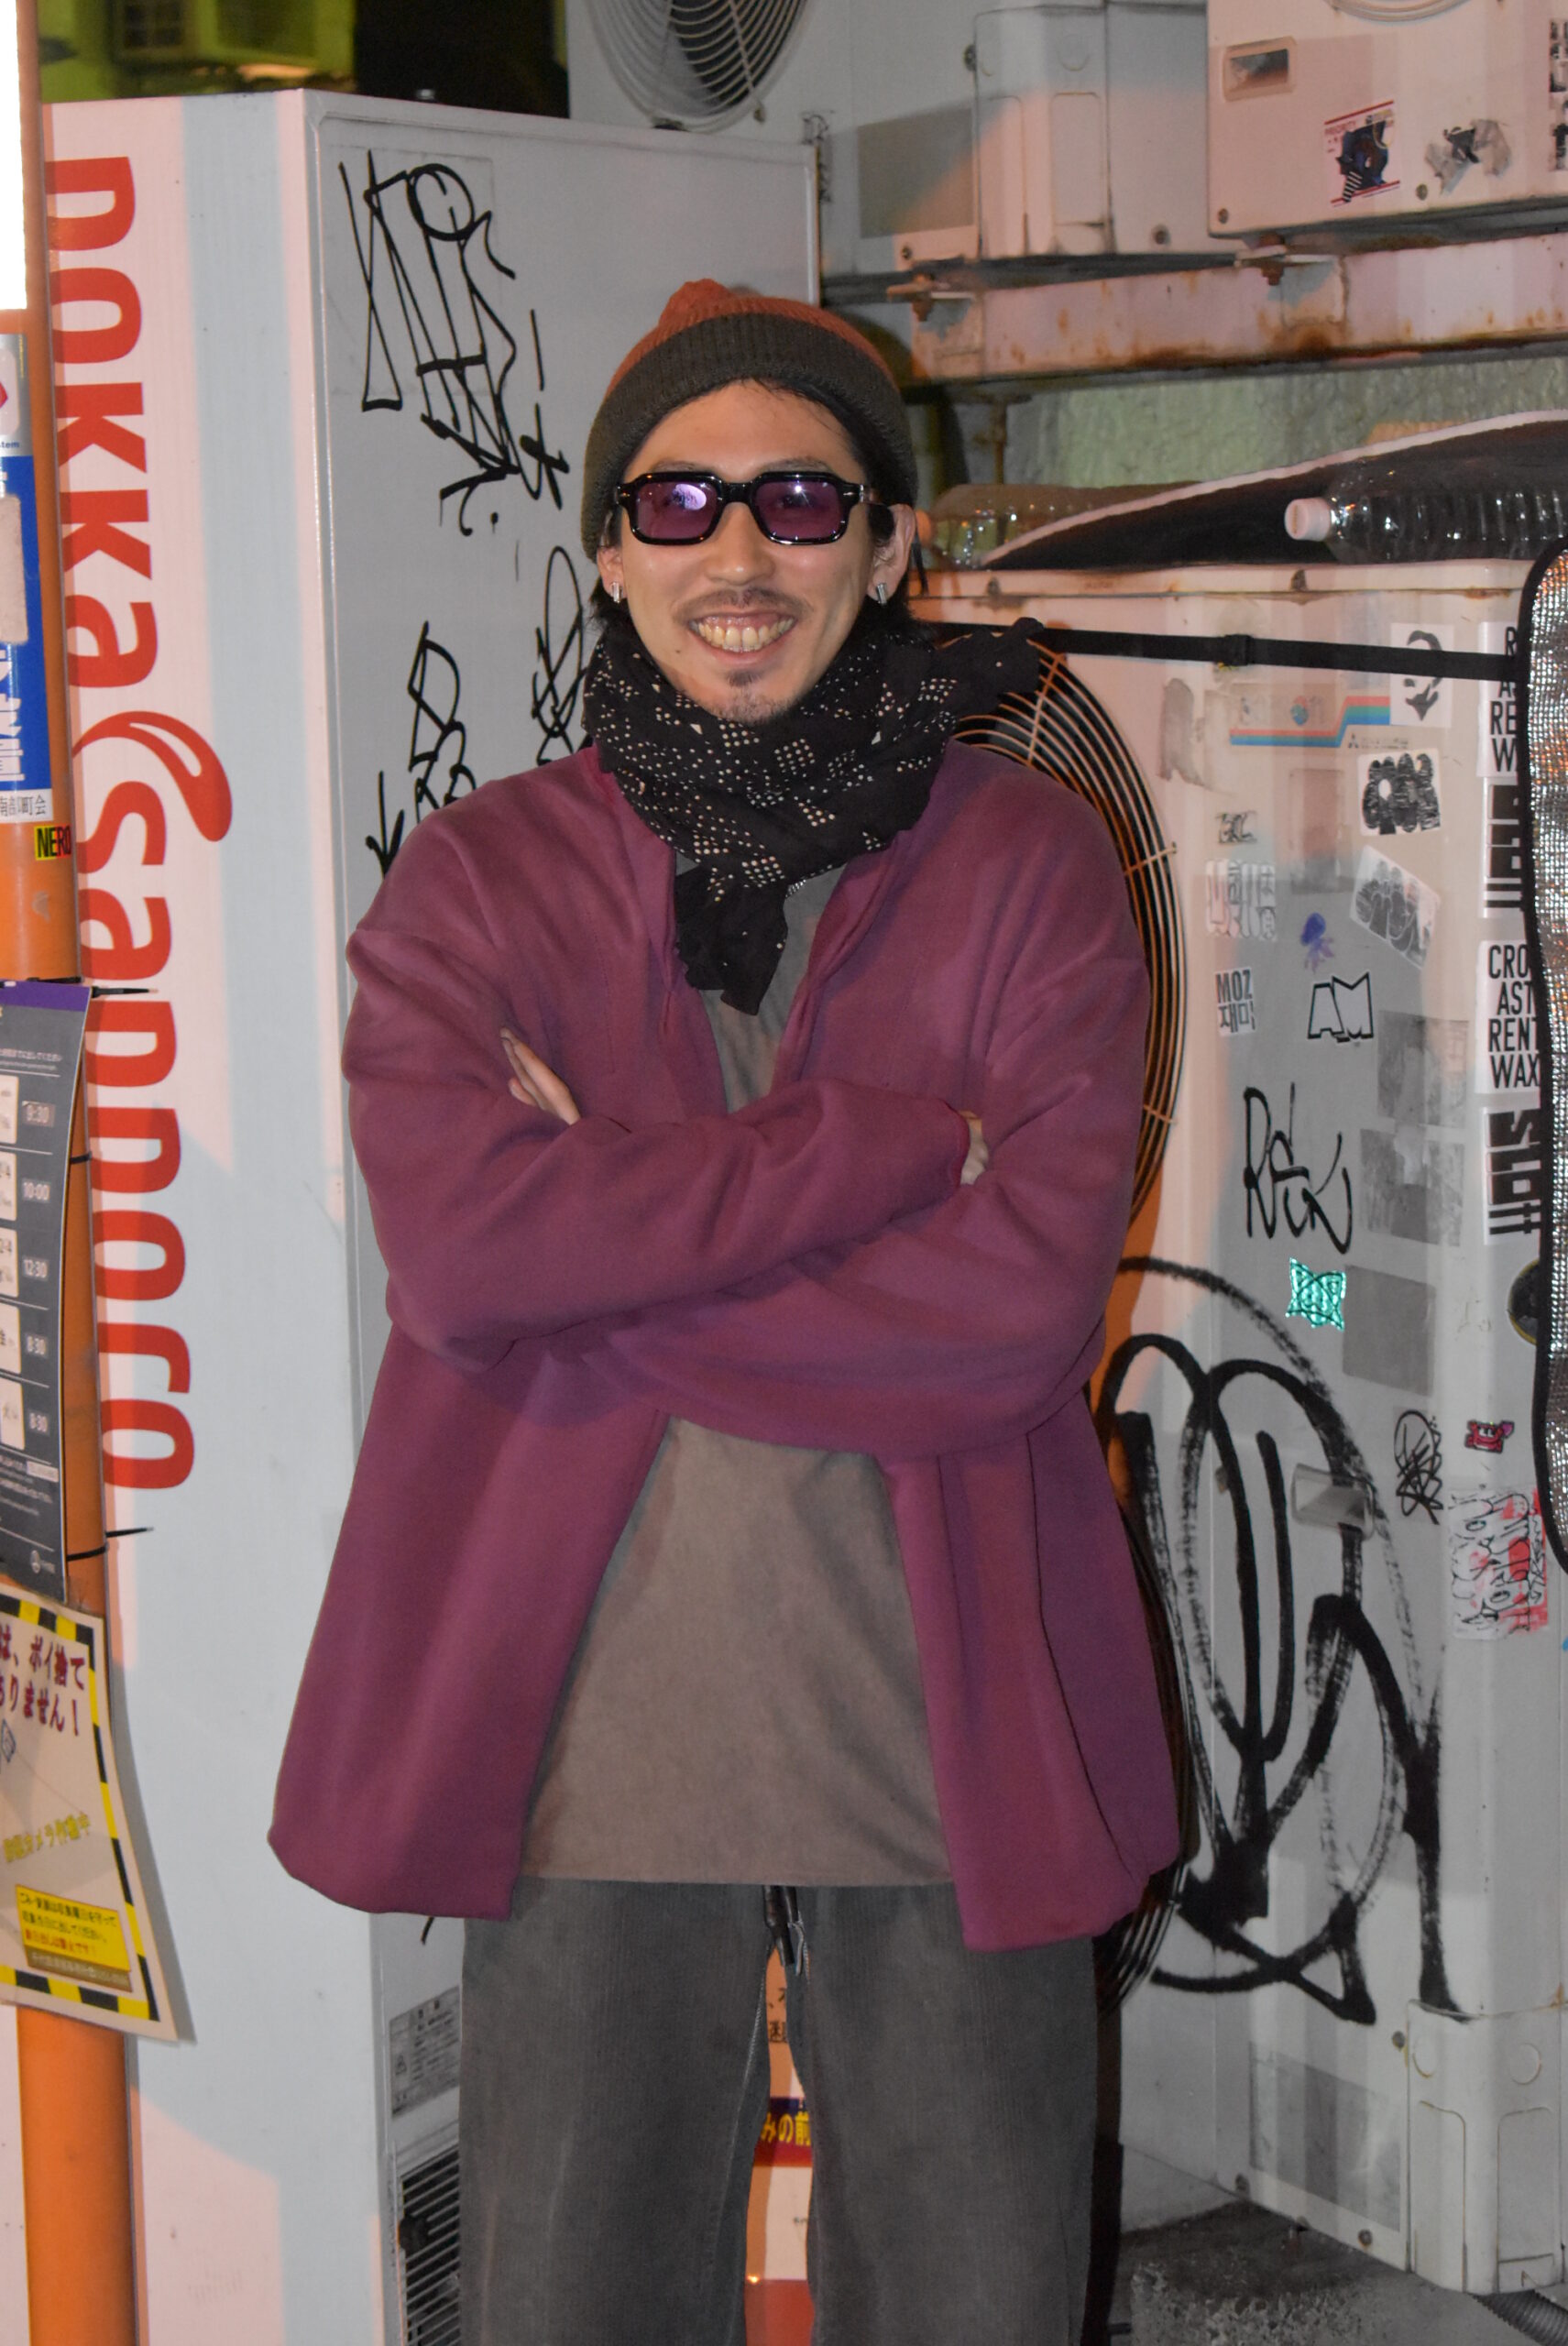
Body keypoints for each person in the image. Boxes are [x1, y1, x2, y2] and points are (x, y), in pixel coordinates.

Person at [271, 280, 1178, 2346]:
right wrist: (873, 1156)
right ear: (607, 549)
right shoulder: (480, 881)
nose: (737, 555)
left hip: (946, 1728)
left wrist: (595, 1257)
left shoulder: (1032, 868)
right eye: (676, 502)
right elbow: (466, 1260)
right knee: (569, 2303)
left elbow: (1016, 1314)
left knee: (976, 2303)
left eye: (799, 498)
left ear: (891, 542)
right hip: (586, 1738)